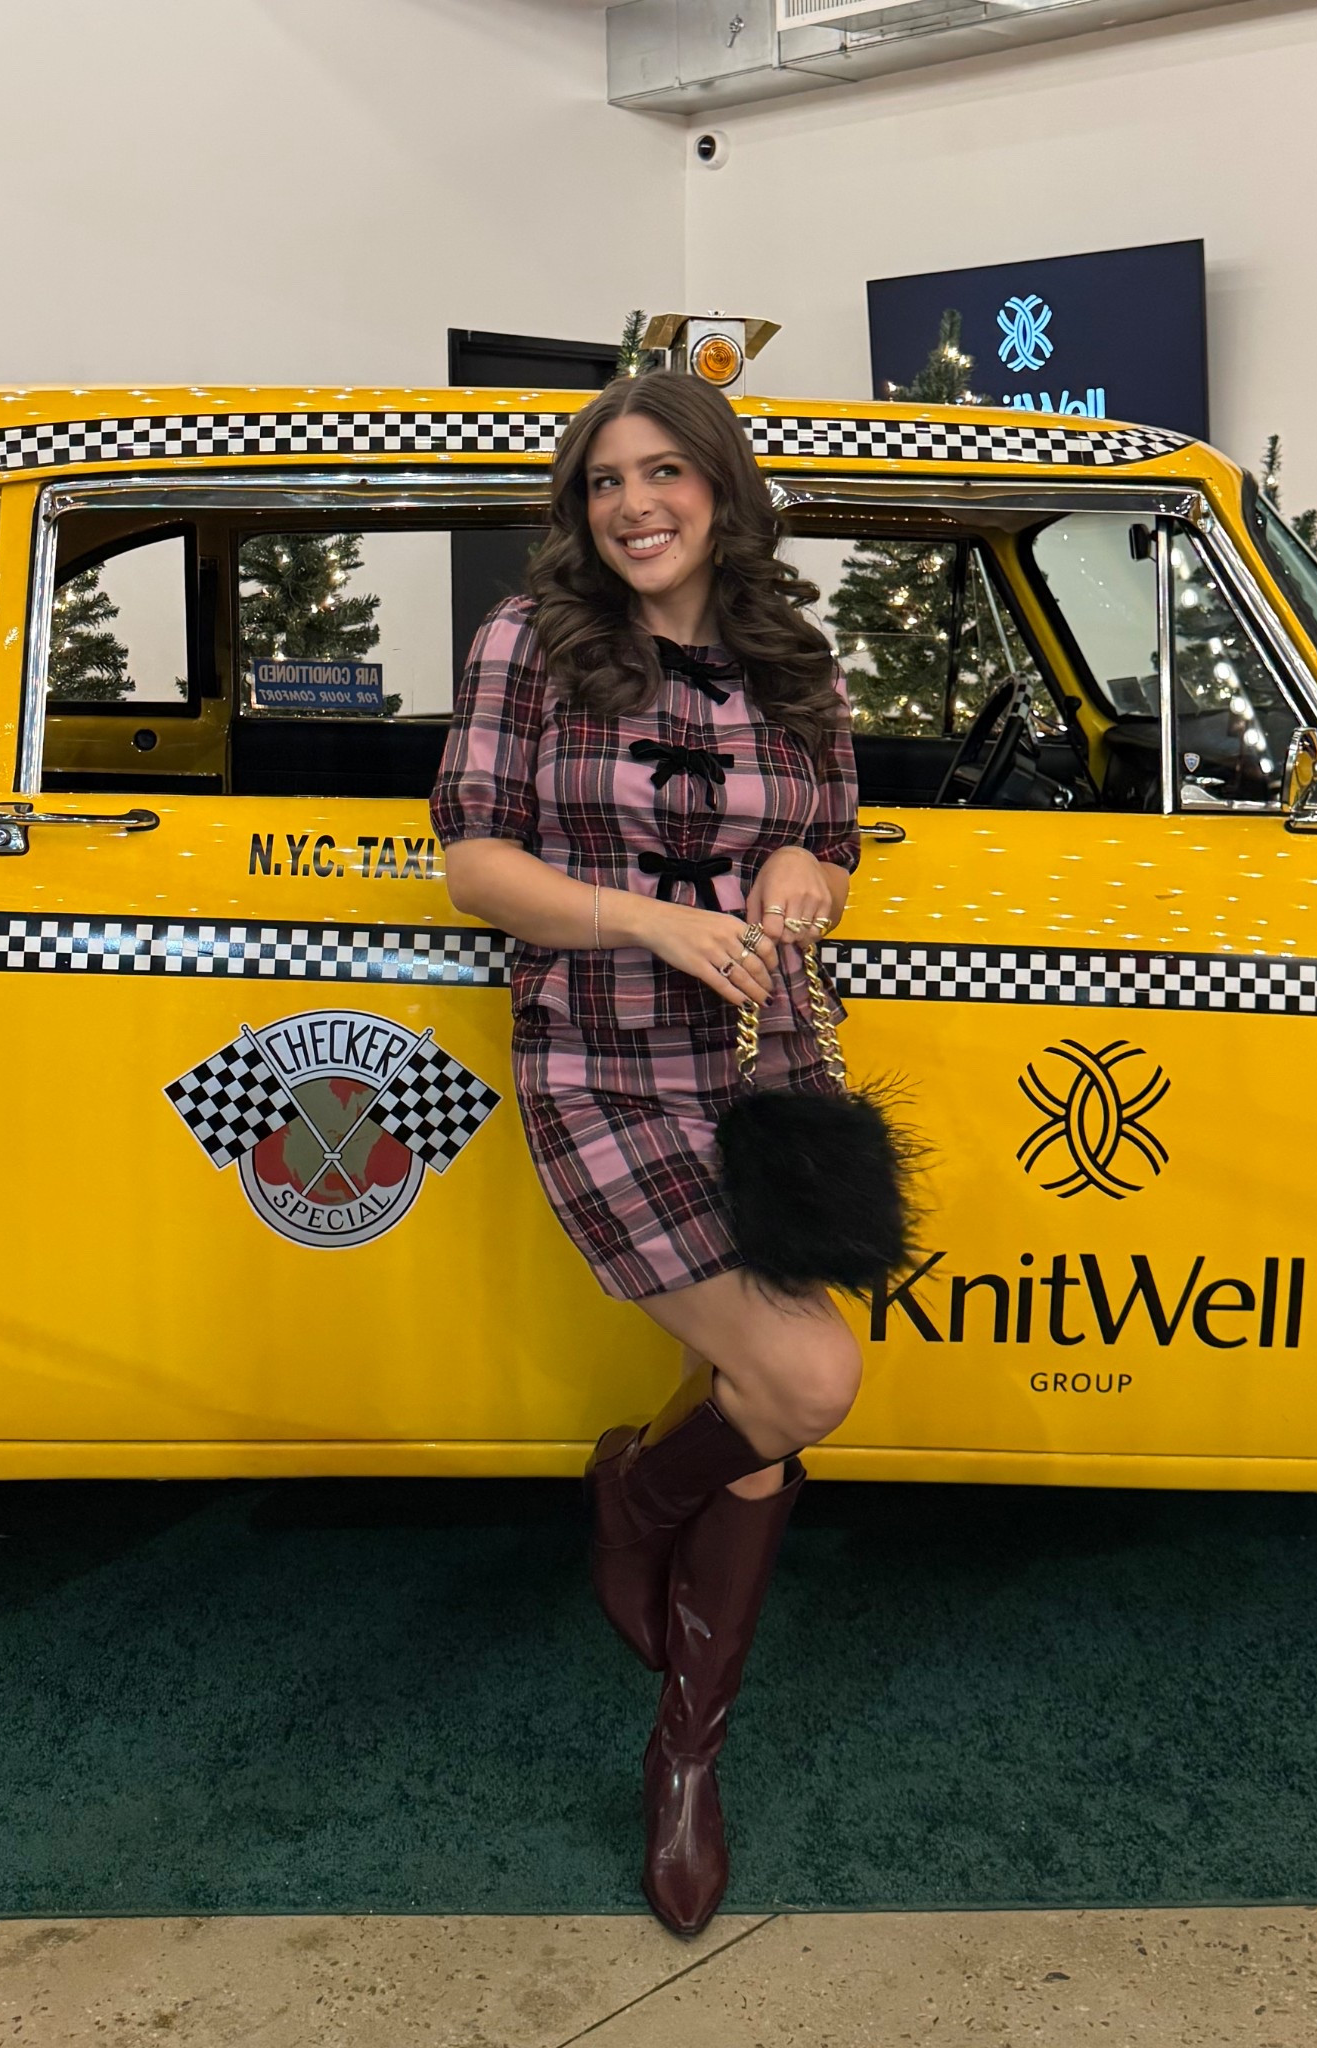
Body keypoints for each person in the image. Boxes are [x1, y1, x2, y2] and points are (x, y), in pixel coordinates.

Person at [430, 370, 862, 1937]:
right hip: (597, 1057)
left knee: (753, 1403)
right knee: (805, 1379)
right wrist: (651, 921)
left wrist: (802, 874)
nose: (634, 504)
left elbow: (833, 835)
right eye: (606, 480)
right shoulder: (531, 642)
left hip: (761, 1061)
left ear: (721, 488)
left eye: (665, 471)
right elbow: (475, 861)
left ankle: (685, 1751)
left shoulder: (794, 654)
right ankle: (632, 1512)